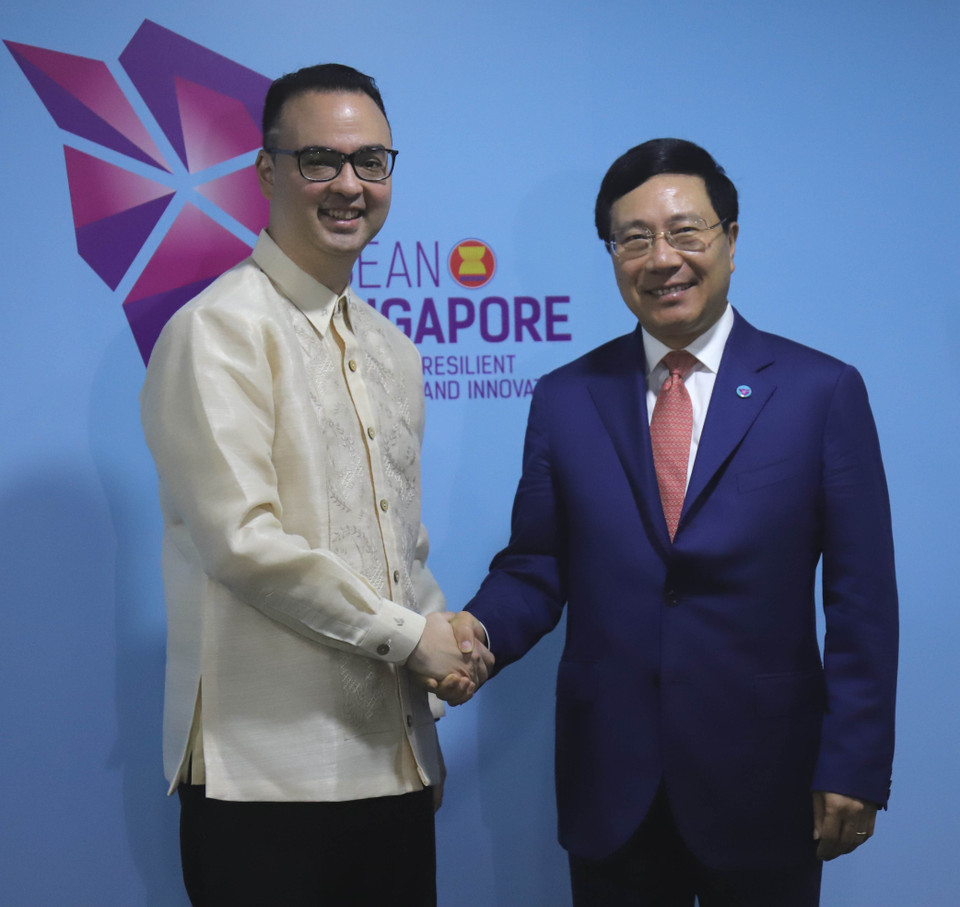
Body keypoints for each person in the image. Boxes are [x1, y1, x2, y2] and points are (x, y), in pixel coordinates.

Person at [453, 138, 898, 906]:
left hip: (767, 783)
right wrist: (474, 635)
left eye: (686, 231)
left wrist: (854, 764)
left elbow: (861, 599)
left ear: (730, 238)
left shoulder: (821, 391)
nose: (663, 258)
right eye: (634, 238)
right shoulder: (565, 397)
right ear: (613, 254)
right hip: (612, 787)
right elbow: (538, 564)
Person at [140, 63, 491, 907]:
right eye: (319, 161)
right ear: (267, 171)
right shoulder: (217, 330)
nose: (348, 185)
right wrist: (414, 639)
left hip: (395, 768)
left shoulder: (392, 349)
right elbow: (242, 542)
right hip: (263, 784)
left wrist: (446, 641)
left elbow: (397, 545)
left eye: (371, 161)